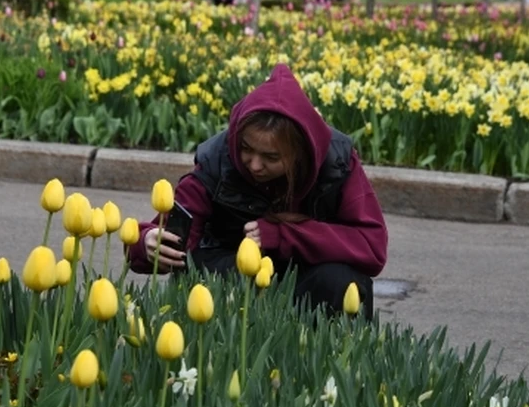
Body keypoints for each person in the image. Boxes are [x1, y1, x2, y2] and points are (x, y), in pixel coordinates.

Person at [130, 64, 388, 318]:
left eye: (271, 157)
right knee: (202, 270)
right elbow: (170, 240)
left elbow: (372, 248)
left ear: (299, 154)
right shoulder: (218, 160)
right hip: (235, 280)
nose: (254, 165)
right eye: (246, 148)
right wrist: (147, 243)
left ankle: (324, 354)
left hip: (307, 279)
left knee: (341, 281)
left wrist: (285, 235)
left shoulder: (335, 164)